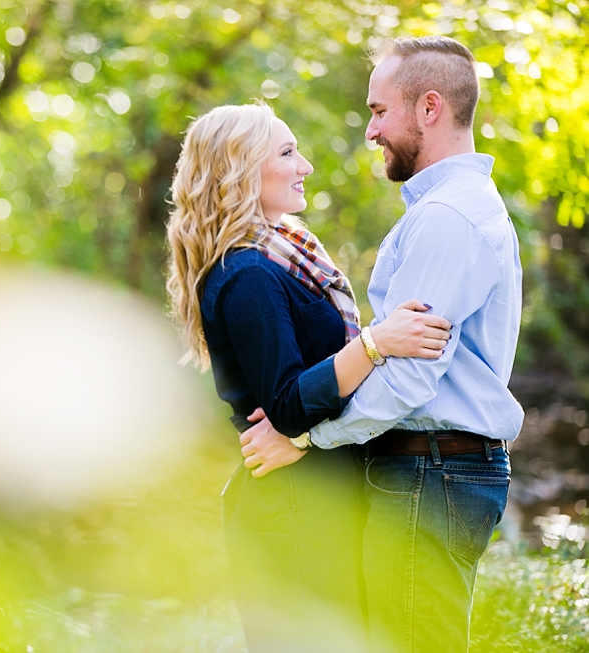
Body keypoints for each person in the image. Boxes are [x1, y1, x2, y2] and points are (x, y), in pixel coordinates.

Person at [239, 36, 523, 653]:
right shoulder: (444, 208)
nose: (370, 131)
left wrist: (306, 435)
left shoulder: (448, 217)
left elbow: (411, 377)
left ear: (428, 108)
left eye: (378, 111)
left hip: (431, 471)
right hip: (430, 469)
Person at [165, 102, 452, 652]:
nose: (306, 167)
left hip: (317, 495)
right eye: (287, 152)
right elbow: (289, 406)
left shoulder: (280, 256)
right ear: (240, 168)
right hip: (295, 510)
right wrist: (377, 343)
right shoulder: (247, 273)